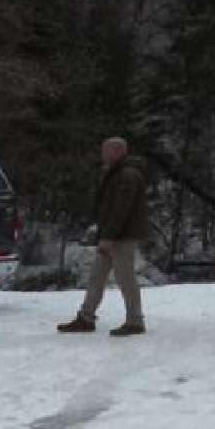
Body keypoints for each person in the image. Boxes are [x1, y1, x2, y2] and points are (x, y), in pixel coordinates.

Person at [57, 137, 147, 336]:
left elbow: (121, 209)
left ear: (117, 151)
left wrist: (109, 236)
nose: (102, 155)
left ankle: (135, 320)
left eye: (105, 151)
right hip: (111, 234)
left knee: (125, 277)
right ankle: (86, 317)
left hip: (121, 236)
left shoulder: (128, 175)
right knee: (97, 275)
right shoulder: (116, 173)